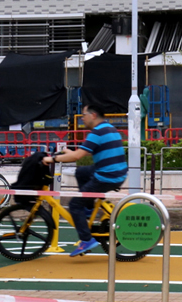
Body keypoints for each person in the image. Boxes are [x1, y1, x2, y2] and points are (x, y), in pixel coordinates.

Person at [43, 104, 128, 256]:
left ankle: (86, 240)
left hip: (106, 176)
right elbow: (88, 151)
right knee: (81, 172)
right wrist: (70, 152)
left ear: (93, 115)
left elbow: (76, 157)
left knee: (75, 204)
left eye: (84, 115)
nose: (82, 118)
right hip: (117, 173)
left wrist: (52, 159)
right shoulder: (109, 128)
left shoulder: (97, 132)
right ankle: (88, 210)